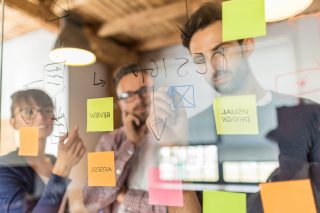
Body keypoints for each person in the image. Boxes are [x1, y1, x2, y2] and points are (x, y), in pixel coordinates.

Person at [180, 2, 320, 212]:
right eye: (200, 59)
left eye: (221, 50)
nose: (212, 67)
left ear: (248, 45)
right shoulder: (193, 129)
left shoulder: (307, 114)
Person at [83, 64, 167, 212]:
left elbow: (171, 207)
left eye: (144, 91)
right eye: (128, 96)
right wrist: (130, 144)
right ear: (119, 104)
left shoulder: (172, 136)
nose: (138, 99)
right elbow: (91, 199)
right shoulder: (109, 141)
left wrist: (124, 196)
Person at [0, 89, 86, 212]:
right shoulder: (5, 167)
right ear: (13, 122)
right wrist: (62, 170)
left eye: (47, 110)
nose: (41, 117)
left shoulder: (54, 160)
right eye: (29, 112)